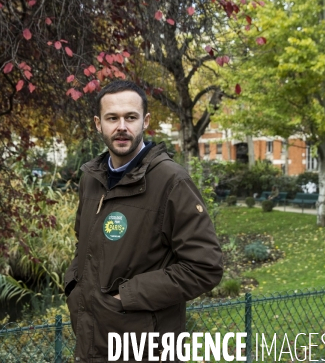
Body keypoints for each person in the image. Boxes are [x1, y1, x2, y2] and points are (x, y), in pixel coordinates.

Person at [64, 80, 223, 362]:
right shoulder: (91, 179)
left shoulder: (171, 181)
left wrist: (126, 297)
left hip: (147, 349)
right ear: (98, 124)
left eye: (131, 117)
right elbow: (84, 245)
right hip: (92, 342)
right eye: (112, 118)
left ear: (145, 121)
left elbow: (204, 267)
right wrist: (74, 287)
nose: (121, 126)